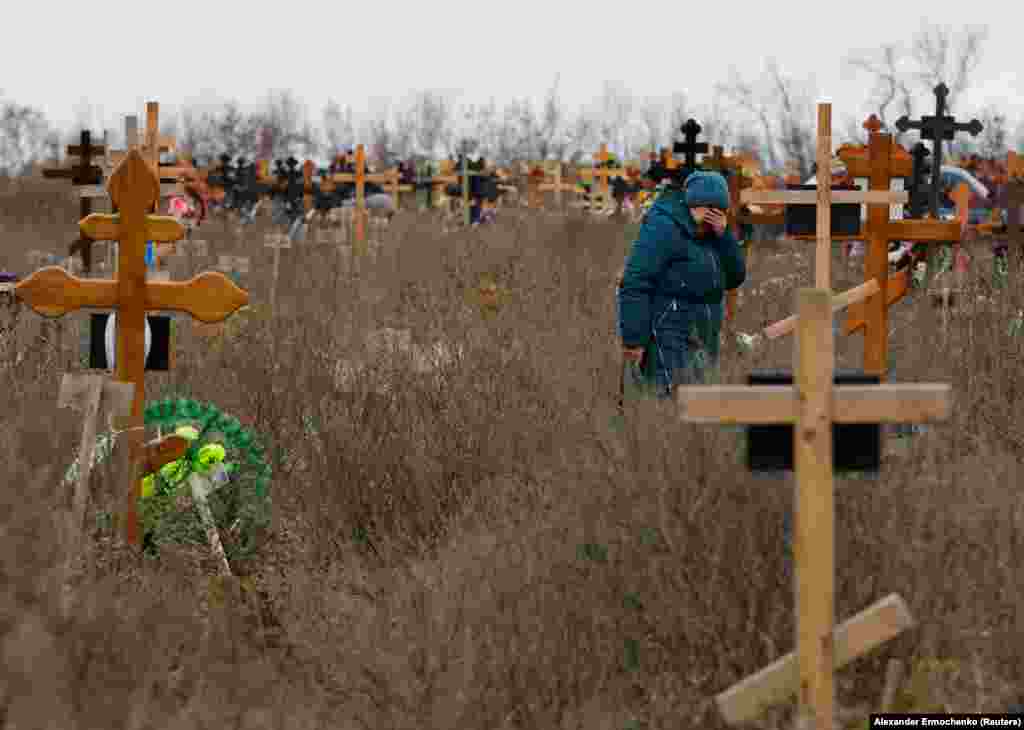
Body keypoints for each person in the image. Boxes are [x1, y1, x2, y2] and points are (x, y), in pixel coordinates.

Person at [617, 170, 746, 401]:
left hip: (705, 336)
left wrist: (724, 236)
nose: (713, 217)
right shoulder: (664, 226)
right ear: (694, 205)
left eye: (719, 212)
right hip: (668, 333)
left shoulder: (714, 235)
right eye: (709, 210)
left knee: (701, 408)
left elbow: (735, 276)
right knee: (666, 405)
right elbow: (636, 280)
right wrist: (634, 340)